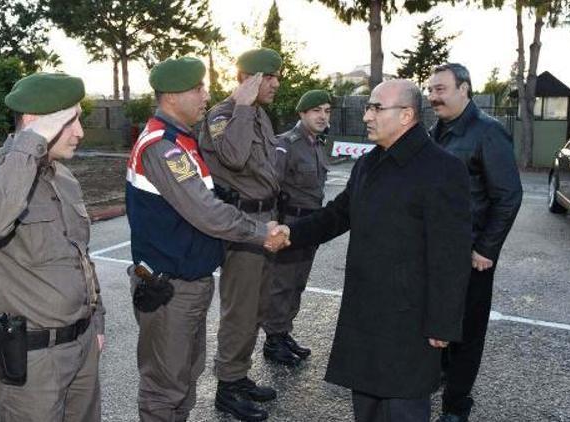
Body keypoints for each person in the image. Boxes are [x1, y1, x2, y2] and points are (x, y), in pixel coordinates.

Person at [288, 79, 472, 422]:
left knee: (403, 409)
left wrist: (443, 325)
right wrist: (289, 233)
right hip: (366, 315)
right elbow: (338, 214)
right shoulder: (370, 163)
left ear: (406, 115)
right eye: (368, 108)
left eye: (375, 108)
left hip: (409, 323)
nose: (367, 116)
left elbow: (452, 256)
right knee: (368, 410)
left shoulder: (443, 170)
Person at [126, 57, 290, 422]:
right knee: (165, 389)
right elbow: (207, 211)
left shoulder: (180, 139)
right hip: (171, 286)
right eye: (198, 88)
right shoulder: (163, 145)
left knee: (183, 378)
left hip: (189, 280)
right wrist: (260, 232)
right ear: (172, 96)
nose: (207, 94)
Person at [0, 73, 104, 421]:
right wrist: (30, 143)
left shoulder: (63, 177)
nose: (80, 132)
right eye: (70, 121)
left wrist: (97, 322)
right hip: (32, 362)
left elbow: (80, 257)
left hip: (81, 346)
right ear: (36, 124)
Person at [427, 63, 523, 422]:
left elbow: (509, 196)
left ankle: (457, 405)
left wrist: (486, 248)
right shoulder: (435, 131)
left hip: (471, 256)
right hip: (438, 252)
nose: (433, 97)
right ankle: (440, 377)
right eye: (431, 90)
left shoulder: (488, 132)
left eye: (441, 89)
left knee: (466, 333)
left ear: (464, 89)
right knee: (438, 322)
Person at [198, 47, 283, 421]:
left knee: (258, 307)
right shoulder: (222, 115)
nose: (277, 84)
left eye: (278, 77)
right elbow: (233, 157)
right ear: (249, 79)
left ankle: (239, 375)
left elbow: (265, 168)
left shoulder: (260, 115)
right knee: (240, 310)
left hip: (266, 219)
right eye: (270, 77)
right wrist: (243, 107)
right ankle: (227, 388)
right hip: (243, 227)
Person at [261, 89, 332, 366]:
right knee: (281, 284)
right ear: (302, 114)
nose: (322, 116)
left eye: (327, 111)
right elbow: (270, 188)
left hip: (309, 226)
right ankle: (273, 340)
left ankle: (283, 331)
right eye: (316, 110)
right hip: (289, 224)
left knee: (298, 283)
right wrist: (273, 225)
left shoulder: (317, 144)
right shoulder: (286, 145)